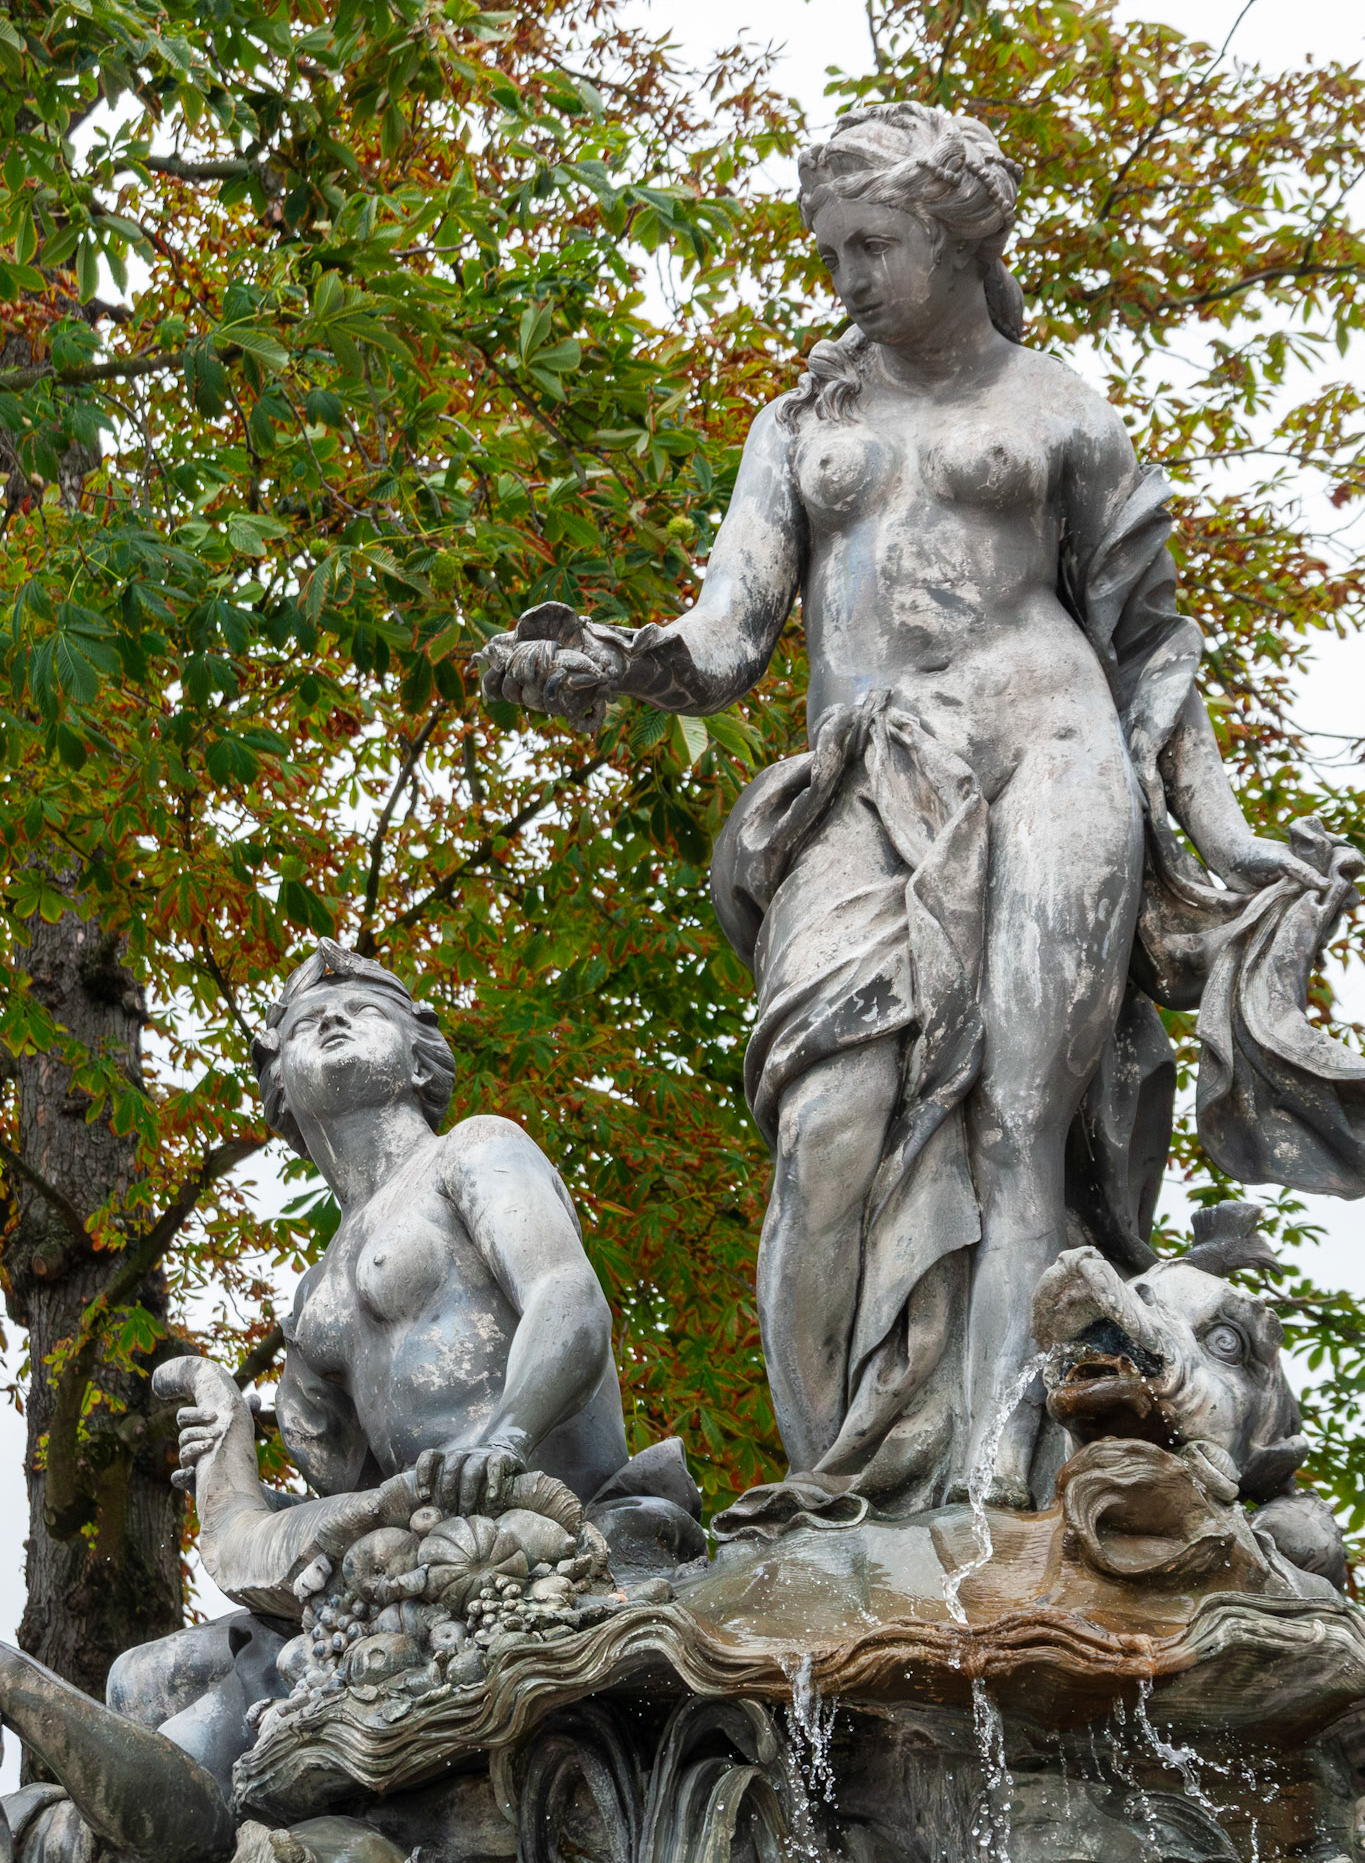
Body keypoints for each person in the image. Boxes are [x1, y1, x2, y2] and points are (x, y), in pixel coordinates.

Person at [480, 100, 1365, 1511]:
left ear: (955, 237)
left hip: (1050, 745)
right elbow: (724, 643)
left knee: (1022, 1128)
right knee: (825, 1118)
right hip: (868, 776)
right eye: (831, 249)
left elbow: (1149, 644)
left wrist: (1227, 832)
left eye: (874, 244)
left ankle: (996, 1496)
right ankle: (833, 1477)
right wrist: (613, 664)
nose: (845, 278)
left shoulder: (1057, 404)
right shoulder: (799, 425)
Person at [0, 941, 697, 1863]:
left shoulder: (475, 1151)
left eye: (366, 1008)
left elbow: (569, 1305)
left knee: (179, 1772)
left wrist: (506, 1436)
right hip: (406, 1570)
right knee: (139, 1679)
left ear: (418, 1058)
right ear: (279, 1089)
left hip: (537, 1521)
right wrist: (234, 1467)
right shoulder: (316, 1298)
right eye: (295, 1025)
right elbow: (351, 1510)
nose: (328, 1017)